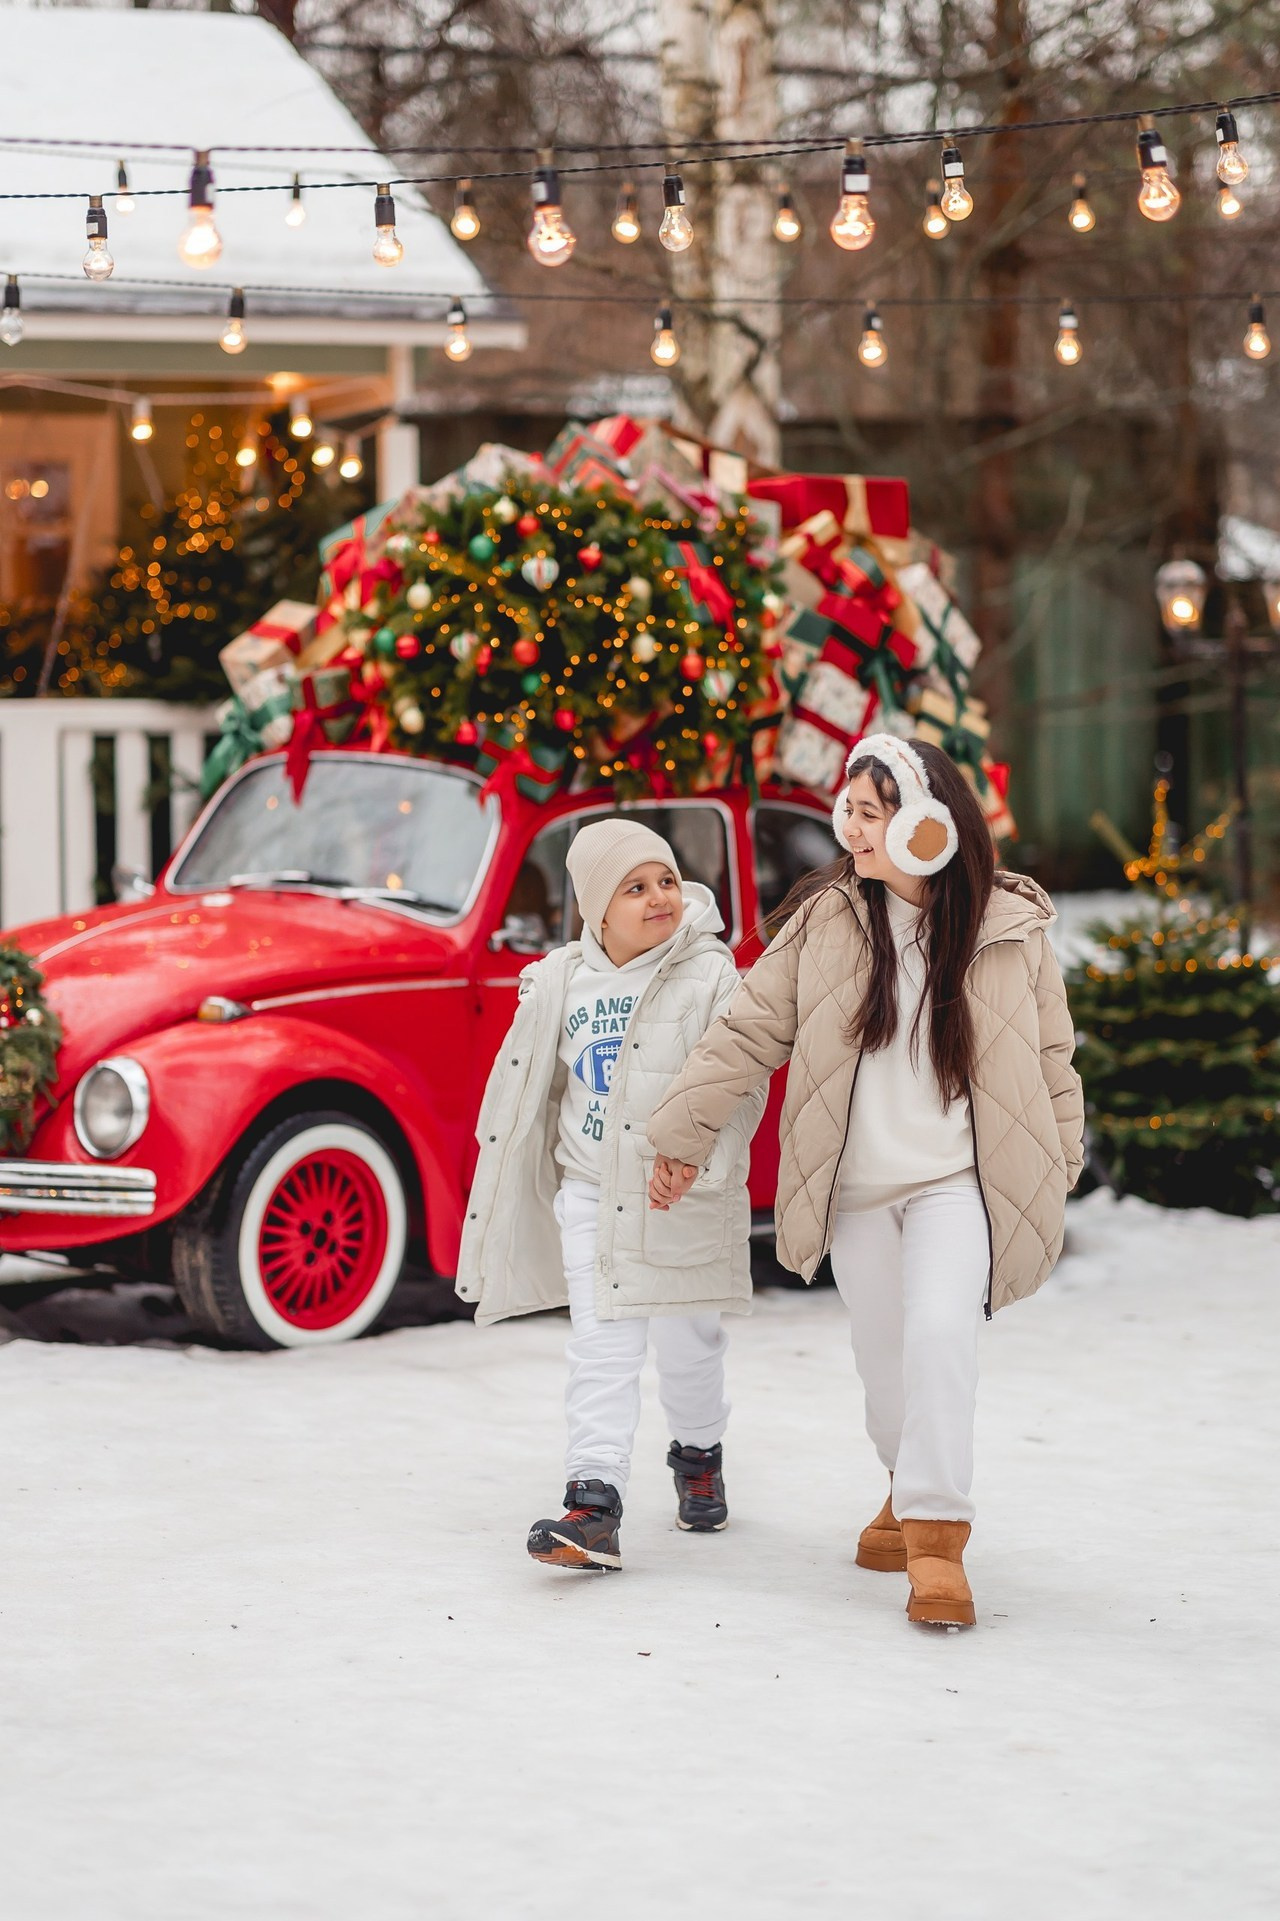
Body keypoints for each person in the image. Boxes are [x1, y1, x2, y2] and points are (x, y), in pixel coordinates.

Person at [646, 736, 1084, 1627]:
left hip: (956, 1184)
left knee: (937, 1337)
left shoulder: (1007, 928)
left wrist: (1058, 1161)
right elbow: (747, 1031)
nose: (852, 828)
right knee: (884, 1365)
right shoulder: (828, 922)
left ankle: (937, 1541)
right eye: (849, 810)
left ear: (930, 824)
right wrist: (683, 1133)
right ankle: (903, 1482)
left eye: (872, 813)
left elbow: (1052, 1057)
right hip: (854, 1189)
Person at [456, 817, 766, 1572]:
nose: (659, 896)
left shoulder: (710, 976)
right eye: (634, 887)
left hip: (680, 1196)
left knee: (689, 1345)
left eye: (665, 879)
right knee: (602, 1347)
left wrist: (695, 1156)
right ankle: (593, 1502)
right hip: (594, 1191)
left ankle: (698, 1453)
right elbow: (536, 1084)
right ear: (597, 908)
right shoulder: (563, 979)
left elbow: (741, 1084)